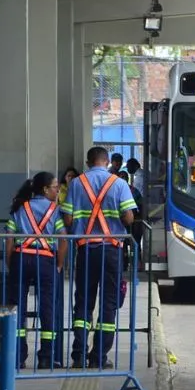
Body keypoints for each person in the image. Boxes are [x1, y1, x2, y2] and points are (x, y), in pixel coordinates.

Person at [61, 146, 136, 369]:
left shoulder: (76, 184)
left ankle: (78, 355)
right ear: (107, 162)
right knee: (109, 303)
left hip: (85, 250)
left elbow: (66, 219)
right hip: (111, 251)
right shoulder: (119, 184)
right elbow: (129, 218)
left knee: (83, 302)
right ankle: (98, 357)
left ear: (88, 162)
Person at [4, 172, 68, 370]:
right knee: (47, 308)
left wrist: (10, 262)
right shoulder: (55, 210)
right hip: (46, 260)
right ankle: (46, 358)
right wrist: (59, 264)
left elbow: (9, 238)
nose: (58, 190)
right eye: (55, 187)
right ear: (45, 189)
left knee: (17, 308)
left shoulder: (20, 207)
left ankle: (17, 357)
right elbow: (63, 239)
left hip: (21, 257)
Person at [117, 170, 144, 271]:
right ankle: (123, 265)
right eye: (121, 177)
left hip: (134, 223)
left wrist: (139, 218)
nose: (123, 179)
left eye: (125, 177)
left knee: (135, 245)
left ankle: (136, 266)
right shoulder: (114, 190)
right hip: (120, 223)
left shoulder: (134, 191)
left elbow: (141, 205)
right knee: (122, 246)